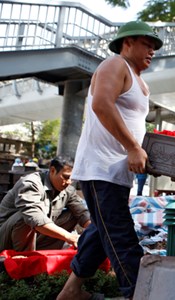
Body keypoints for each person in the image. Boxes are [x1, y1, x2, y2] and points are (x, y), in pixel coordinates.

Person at [57, 20, 163, 300]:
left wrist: (145, 153)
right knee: (120, 235)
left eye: (154, 47)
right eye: (147, 44)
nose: (152, 51)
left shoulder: (142, 83)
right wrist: (132, 147)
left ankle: (70, 292)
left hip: (117, 171)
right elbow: (101, 104)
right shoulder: (115, 65)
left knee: (101, 231)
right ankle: (139, 293)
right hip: (100, 168)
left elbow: (130, 124)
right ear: (127, 43)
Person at [0, 156, 90, 252]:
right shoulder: (30, 183)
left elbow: (82, 213)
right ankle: (25, 258)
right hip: (5, 238)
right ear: (52, 170)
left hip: (35, 237)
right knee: (26, 217)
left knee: (74, 213)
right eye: (66, 177)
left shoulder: (68, 190)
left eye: (72, 179)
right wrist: (68, 236)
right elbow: (34, 217)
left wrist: (96, 230)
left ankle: (42, 254)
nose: (69, 182)